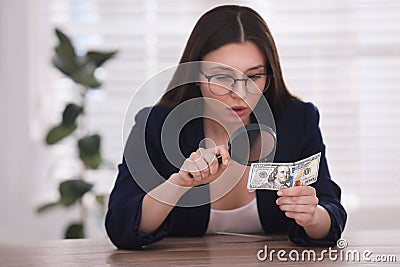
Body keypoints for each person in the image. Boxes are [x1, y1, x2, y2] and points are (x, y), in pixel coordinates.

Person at [105, 5, 347, 250]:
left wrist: (312, 216)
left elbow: (331, 213)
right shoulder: (155, 125)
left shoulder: (297, 120)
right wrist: (179, 183)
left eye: (254, 77)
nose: (239, 94)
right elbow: (120, 226)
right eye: (221, 78)